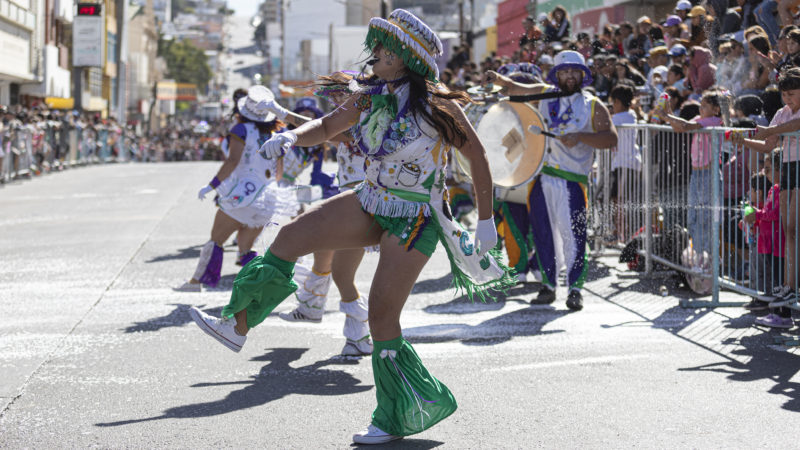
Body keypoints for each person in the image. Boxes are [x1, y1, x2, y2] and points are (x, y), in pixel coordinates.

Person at [187, 8, 514, 444]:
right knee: (290, 237)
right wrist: (290, 138)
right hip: (371, 197)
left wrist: (488, 219)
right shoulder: (369, 95)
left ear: (403, 58)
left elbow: (478, 158)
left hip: (415, 216)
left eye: (383, 48)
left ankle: (396, 416)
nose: (374, 54)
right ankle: (238, 324)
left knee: (382, 314)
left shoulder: (438, 104)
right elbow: (327, 126)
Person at [483, 50, 618, 310]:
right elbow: (514, 87)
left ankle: (575, 288)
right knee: (543, 233)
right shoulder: (544, 94)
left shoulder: (592, 105)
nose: (568, 76)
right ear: (557, 74)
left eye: (573, 72)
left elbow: (610, 138)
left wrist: (581, 136)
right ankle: (548, 285)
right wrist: (496, 78)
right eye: (563, 71)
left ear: (582, 74)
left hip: (572, 181)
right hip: (542, 177)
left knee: (574, 236)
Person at [278, 72, 374, 358]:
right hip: (350, 200)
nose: (332, 101)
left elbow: (325, 130)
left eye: (337, 94)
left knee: (342, 273)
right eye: (330, 96)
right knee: (330, 261)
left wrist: (284, 115)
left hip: (362, 203)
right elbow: (327, 134)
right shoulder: (354, 116)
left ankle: (360, 335)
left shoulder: (361, 118)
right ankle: (318, 310)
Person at [175, 86, 298, 292]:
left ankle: (196, 281)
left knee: (216, 240)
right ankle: (256, 287)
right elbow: (279, 171)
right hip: (268, 197)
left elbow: (232, 161)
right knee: (246, 249)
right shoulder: (277, 132)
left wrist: (212, 185)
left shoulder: (240, 130)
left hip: (243, 195)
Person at [737, 67, 800, 308]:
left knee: (794, 227)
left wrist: (771, 130)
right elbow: (767, 145)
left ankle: (793, 285)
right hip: (788, 169)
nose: (787, 99)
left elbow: (788, 127)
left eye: (792, 94)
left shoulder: (788, 118)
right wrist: (742, 140)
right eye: (784, 94)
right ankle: (788, 285)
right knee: (789, 231)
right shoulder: (782, 113)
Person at [663, 90, 725, 257]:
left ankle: (707, 258)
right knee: (693, 218)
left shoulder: (714, 121)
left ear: (716, 109)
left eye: (705, 106)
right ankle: (698, 255)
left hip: (708, 175)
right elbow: (679, 128)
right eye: (701, 106)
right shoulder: (700, 119)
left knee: (705, 219)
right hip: (696, 175)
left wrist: (668, 115)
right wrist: (667, 112)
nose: (701, 109)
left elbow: (685, 126)